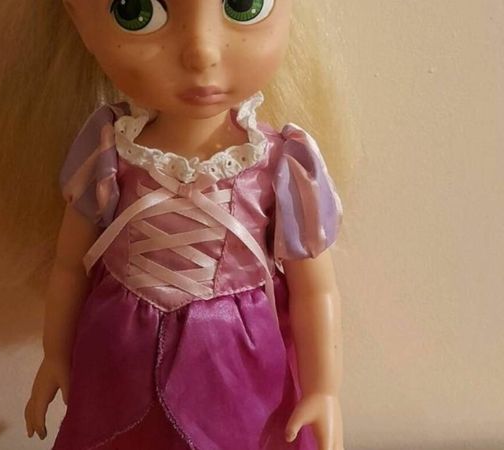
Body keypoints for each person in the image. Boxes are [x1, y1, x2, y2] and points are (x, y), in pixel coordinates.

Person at [22, 1, 347, 448]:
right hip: (118, 352)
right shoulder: (108, 151)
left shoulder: (282, 162)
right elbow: (68, 267)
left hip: (235, 360)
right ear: (79, 18)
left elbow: (315, 290)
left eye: (243, 5)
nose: (201, 53)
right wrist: (55, 355)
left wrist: (323, 389)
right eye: (136, 10)